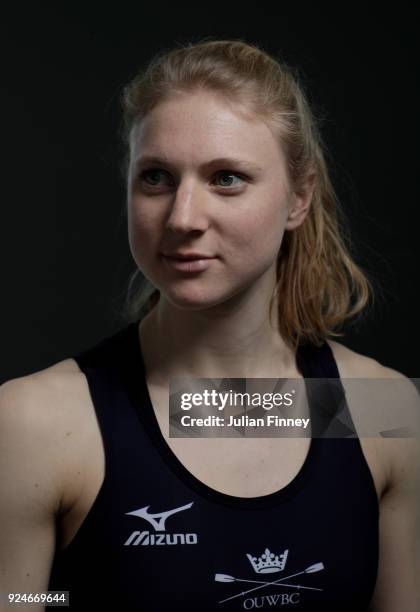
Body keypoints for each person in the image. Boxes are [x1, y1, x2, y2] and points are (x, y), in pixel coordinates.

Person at [0, 38, 419, 612]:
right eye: (156, 178)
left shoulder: (384, 409)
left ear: (299, 197)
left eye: (226, 178)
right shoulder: (35, 421)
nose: (182, 218)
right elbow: (19, 598)